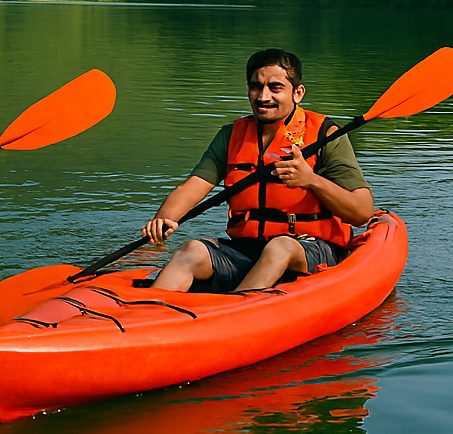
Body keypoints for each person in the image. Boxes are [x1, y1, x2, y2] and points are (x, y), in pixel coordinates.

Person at [140, 48, 374, 292]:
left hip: (311, 249)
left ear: (298, 93)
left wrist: (311, 180)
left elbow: (362, 212)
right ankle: (147, 310)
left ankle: (234, 308)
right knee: (192, 250)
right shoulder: (232, 136)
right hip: (247, 249)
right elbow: (194, 186)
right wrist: (164, 218)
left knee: (280, 247)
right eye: (255, 87)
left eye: (275, 87)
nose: (263, 97)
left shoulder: (326, 135)